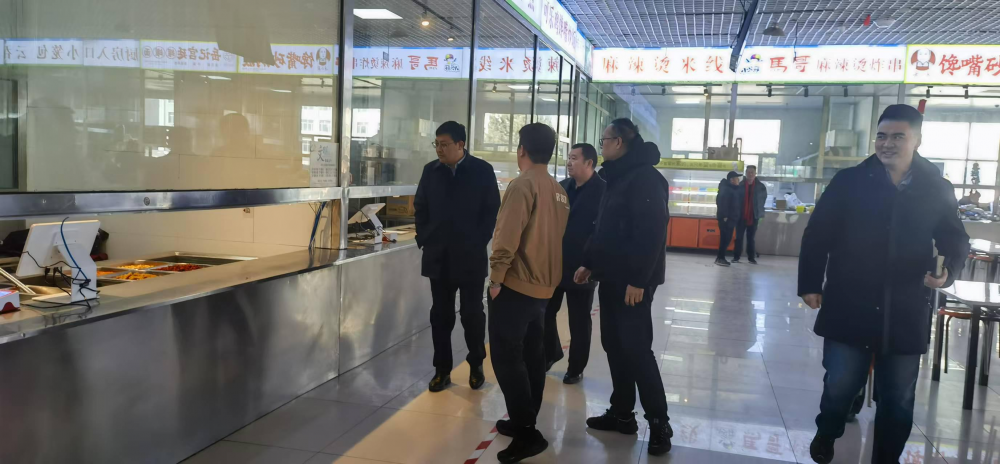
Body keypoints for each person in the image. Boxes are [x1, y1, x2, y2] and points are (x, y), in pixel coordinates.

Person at [798, 104, 969, 464]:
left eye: (897, 137)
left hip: (905, 306)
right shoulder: (849, 182)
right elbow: (818, 233)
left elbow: (955, 238)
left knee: (898, 397)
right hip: (850, 301)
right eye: (881, 136)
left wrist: (948, 271)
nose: (887, 143)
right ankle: (828, 430)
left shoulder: (935, 188)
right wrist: (810, 282)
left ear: (917, 141)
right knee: (840, 383)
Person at [574, 118, 673, 457]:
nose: (601, 145)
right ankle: (622, 413)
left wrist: (638, 280)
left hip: (633, 281)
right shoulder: (616, 176)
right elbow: (603, 226)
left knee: (636, 349)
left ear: (618, 142)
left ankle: (659, 422)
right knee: (614, 345)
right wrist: (589, 262)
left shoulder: (645, 178)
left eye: (604, 140)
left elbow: (652, 232)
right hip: (611, 276)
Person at [488, 123, 569, 463]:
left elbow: (507, 237)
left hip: (516, 285)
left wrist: (496, 279)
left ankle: (526, 433)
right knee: (533, 357)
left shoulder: (522, 185)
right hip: (544, 288)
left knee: (507, 359)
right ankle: (526, 419)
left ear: (521, 149)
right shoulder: (558, 190)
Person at [414, 121, 501, 393]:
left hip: (470, 257)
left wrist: (478, 241)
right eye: (436, 144)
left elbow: (491, 210)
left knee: (472, 314)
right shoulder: (431, 171)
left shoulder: (482, 171)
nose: (439, 149)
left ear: (460, 145)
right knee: (440, 316)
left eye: (444, 144)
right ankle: (442, 370)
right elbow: (420, 207)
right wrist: (425, 237)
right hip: (438, 257)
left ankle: (476, 365)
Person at [544, 143, 606, 385]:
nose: (569, 162)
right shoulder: (562, 187)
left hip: (583, 266)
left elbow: (600, 232)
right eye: (568, 158)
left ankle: (576, 367)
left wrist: (590, 264)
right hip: (555, 263)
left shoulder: (603, 191)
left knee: (579, 320)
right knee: (544, 313)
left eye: (574, 158)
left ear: (589, 163)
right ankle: (551, 352)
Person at [733, 165, 767, 264]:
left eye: (752, 172)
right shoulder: (740, 185)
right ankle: (736, 257)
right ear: (746, 173)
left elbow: (763, 200)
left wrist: (759, 212)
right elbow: (735, 200)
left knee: (751, 238)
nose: (750, 174)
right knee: (738, 237)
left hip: (754, 216)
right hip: (741, 216)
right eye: (748, 172)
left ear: (755, 174)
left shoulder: (761, 187)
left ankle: (751, 257)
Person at [715, 171, 741, 267]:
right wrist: (725, 216)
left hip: (731, 218)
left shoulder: (731, 189)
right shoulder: (727, 189)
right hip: (726, 219)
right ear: (732, 180)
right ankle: (720, 258)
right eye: (737, 179)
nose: (738, 180)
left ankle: (720, 257)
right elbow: (722, 203)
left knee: (727, 239)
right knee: (725, 239)